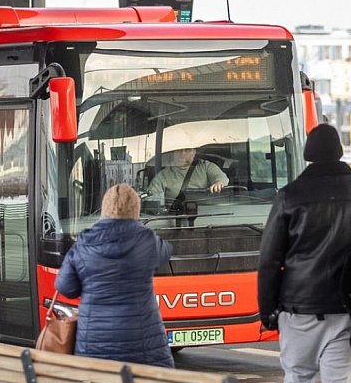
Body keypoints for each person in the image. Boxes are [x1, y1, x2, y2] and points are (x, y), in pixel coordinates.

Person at [258, 124, 351, 383]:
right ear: (340, 152)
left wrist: (267, 311)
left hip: (299, 310)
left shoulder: (289, 196)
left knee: (297, 379)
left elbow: (270, 261)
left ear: (308, 154)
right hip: (348, 308)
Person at [55, 183, 174, 367]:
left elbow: (66, 288)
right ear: (136, 210)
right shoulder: (148, 240)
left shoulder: (84, 244)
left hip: (94, 343)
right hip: (143, 342)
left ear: (104, 209)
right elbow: (166, 252)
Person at [145, 147, 228, 210]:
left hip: (207, 217)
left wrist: (219, 183)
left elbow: (221, 177)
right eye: (179, 150)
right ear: (174, 152)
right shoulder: (162, 176)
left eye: (187, 150)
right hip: (175, 220)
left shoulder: (205, 166)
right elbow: (152, 203)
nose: (183, 153)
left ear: (194, 152)